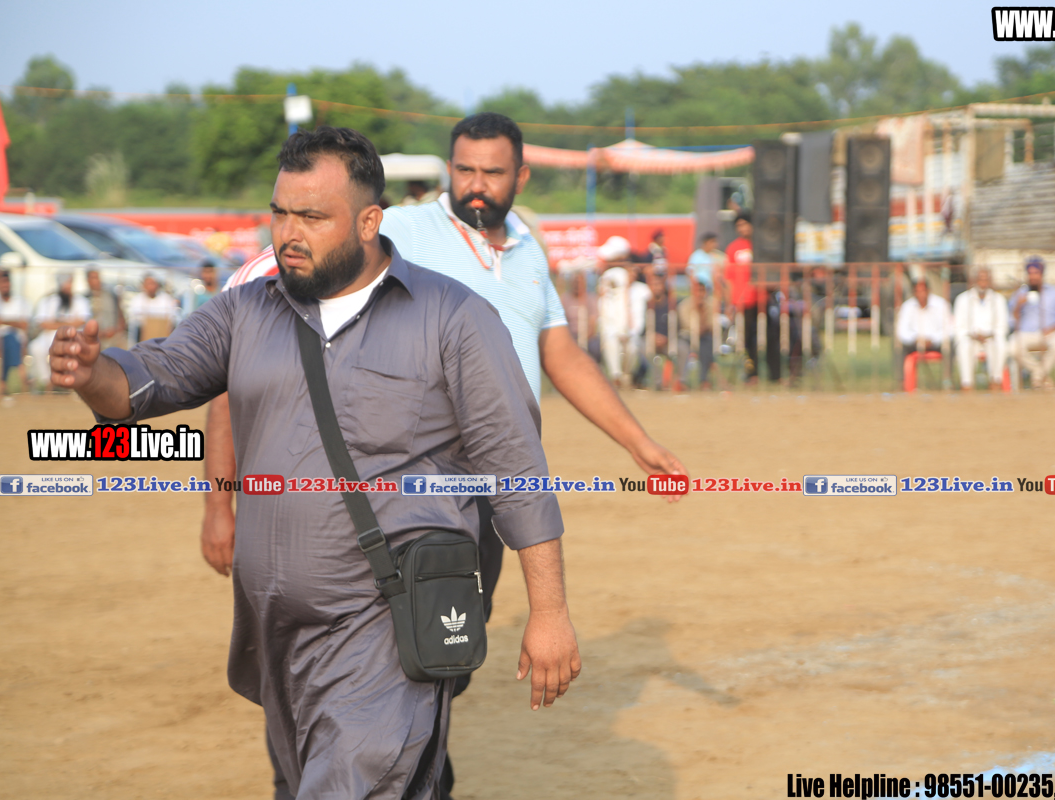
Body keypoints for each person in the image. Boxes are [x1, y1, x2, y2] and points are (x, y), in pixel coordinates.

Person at [49, 126, 581, 799]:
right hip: (276, 631)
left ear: (368, 221)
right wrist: (91, 372)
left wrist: (549, 612)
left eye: (311, 216)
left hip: (387, 624)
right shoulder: (245, 311)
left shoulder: (454, 318)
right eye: (279, 212)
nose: (288, 234)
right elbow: (144, 385)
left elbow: (516, 471)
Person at [203, 113, 685, 797]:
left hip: (487, 503)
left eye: (492, 172)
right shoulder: (399, 230)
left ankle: (408, 774)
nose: (476, 184)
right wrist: (219, 500)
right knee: (396, 658)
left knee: (436, 653)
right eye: (464, 170)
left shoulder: (527, 251)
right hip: (392, 499)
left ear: (521, 177)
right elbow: (255, 318)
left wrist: (638, 442)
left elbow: (558, 351)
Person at [1009, 256, 1055, 389]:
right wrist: (1018, 305)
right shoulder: (1019, 294)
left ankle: (1037, 377)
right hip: (1026, 333)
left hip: (1049, 333)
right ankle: (1041, 375)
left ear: (1042, 274)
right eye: (1030, 273)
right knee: (1012, 347)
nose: (1033, 277)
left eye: (1036, 273)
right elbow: (1011, 321)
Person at [29, 272, 91, 390]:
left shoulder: (80, 300)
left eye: (69, 283)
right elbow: (43, 323)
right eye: (64, 283)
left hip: (72, 335)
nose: (67, 286)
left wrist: (57, 323)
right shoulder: (48, 300)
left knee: (72, 349)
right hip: (49, 336)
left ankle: (70, 383)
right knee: (36, 347)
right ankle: (48, 382)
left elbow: (82, 321)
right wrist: (67, 323)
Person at [953, 267, 1007, 390]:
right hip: (971, 338)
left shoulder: (998, 299)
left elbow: (1002, 327)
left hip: (990, 338)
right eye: (980, 279)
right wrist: (973, 335)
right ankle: (967, 384)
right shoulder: (962, 299)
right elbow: (959, 327)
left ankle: (996, 381)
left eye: (985, 279)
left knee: (1001, 344)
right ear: (974, 281)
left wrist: (988, 335)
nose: (983, 283)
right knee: (964, 345)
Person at [723, 212, 758, 382]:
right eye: (739, 225)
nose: (742, 228)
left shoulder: (760, 245)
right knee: (745, 338)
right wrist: (729, 303)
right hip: (741, 301)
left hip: (760, 299)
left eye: (745, 224)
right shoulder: (733, 248)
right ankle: (751, 373)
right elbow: (728, 279)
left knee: (764, 336)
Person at [596, 236, 632, 386]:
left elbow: (623, 302)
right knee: (611, 344)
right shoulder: (611, 273)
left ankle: (623, 377)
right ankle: (617, 377)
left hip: (619, 319)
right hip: (610, 319)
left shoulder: (620, 274)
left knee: (626, 347)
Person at [676, 278, 718, 390]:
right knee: (682, 348)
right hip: (687, 337)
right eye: (697, 291)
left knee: (707, 346)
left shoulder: (711, 305)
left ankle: (704, 380)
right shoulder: (684, 305)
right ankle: (682, 381)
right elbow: (687, 326)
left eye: (702, 291)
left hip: (704, 337)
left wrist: (702, 311)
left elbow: (712, 325)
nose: (699, 294)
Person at [897, 278, 952, 360]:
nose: (921, 294)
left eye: (923, 291)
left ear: (928, 291)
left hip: (937, 343)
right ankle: (902, 369)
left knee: (950, 345)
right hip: (914, 344)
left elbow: (949, 329)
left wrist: (932, 340)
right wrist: (916, 340)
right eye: (917, 291)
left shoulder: (941, 304)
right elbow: (902, 331)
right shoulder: (907, 306)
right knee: (899, 347)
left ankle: (947, 368)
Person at [0, 269, 31, 396]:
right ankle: (24, 380)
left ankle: (3, 384)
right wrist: (13, 322)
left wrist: (4, 321)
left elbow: (24, 324)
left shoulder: (20, 302)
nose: (4, 286)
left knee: (10, 340)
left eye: (6, 282)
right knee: (7, 341)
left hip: (16, 340)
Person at [85, 268, 128, 351]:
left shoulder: (110, 294)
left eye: (97, 277)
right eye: (93, 278)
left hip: (114, 336)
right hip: (96, 338)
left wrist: (117, 329)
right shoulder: (86, 298)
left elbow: (120, 315)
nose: (97, 280)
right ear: (88, 280)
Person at [127, 273, 178, 342]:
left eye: (153, 284)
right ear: (144, 285)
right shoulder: (137, 300)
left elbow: (173, 318)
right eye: (149, 284)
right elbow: (133, 320)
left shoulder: (166, 299)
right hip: (142, 338)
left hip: (162, 337)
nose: (151, 287)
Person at [686, 233, 725, 300]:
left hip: (711, 290)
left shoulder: (715, 255)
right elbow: (690, 272)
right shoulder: (696, 255)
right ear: (706, 242)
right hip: (699, 289)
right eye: (713, 242)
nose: (715, 244)